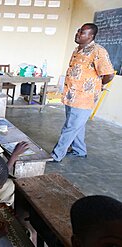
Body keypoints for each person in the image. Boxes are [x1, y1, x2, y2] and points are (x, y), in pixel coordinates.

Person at [51, 23, 114, 162]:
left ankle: (56, 155)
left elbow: (109, 74)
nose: (78, 34)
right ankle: (79, 150)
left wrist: (97, 85)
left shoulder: (98, 51)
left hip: (84, 98)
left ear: (91, 36)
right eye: (79, 31)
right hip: (71, 96)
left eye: (82, 32)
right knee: (76, 125)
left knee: (70, 127)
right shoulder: (77, 50)